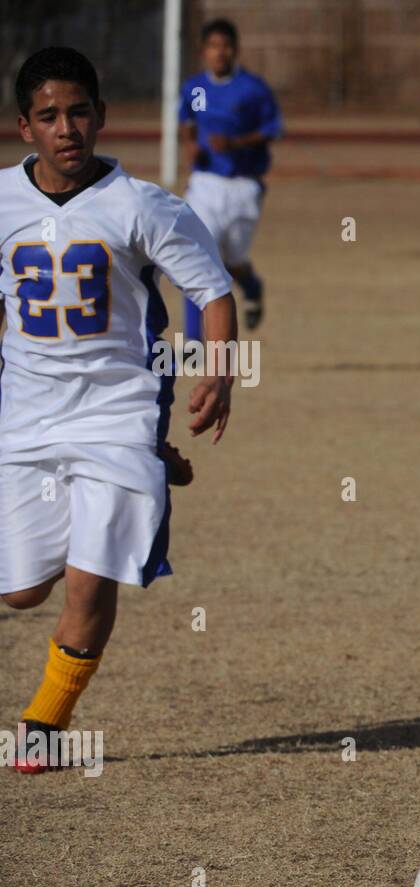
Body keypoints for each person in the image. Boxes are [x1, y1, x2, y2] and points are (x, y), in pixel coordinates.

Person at [1, 47, 236, 774]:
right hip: (26, 414)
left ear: (100, 118)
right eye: (49, 116)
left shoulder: (141, 205)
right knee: (20, 591)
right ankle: (152, 465)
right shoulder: (2, 203)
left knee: (90, 571)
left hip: (115, 407)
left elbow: (213, 292)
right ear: (24, 128)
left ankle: (44, 723)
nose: (66, 128)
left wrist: (220, 375)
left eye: (78, 112)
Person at [179, 17, 281, 337]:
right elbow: (188, 122)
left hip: (243, 184)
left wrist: (235, 144)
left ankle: (251, 288)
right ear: (203, 51)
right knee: (196, 257)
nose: (219, 52)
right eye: (213, 46)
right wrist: (191, 145)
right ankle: (195, 341)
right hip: (205, 183)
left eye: (225, 46)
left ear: (235, 50)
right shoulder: (194, 87)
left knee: (233, 261)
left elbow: (271, 129)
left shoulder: (253, 89)